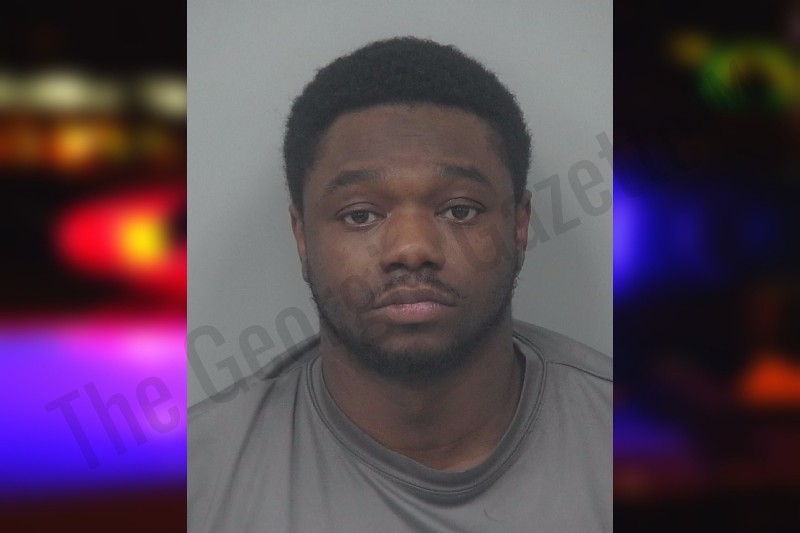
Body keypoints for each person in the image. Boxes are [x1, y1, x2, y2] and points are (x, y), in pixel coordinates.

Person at [188, 37, 611, 532]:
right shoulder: (195, 479)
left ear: (519, 225)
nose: (411, 249)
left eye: (460, 210)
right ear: (302, 237)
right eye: (360, 215)